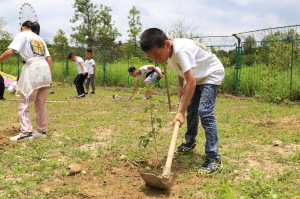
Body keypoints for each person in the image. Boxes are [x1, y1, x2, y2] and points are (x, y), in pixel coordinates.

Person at [140, 28, 225, 176]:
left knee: (204, 112)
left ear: (166, 44)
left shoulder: (180, 50)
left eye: (157, 55)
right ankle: (190, 142)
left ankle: (214, 158)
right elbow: (181, 69)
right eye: (151, 57)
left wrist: (180, 112)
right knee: (192, 108)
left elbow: (190, 83)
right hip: (198, 75)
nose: (156, 60)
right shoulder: (168, 53)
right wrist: (180, 86)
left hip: (211, 73)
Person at [0, 21, 53, 141]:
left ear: (23, 27)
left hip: (33, 68)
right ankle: (41, 132)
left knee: (24, 103)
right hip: (44, 69)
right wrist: (50, 77)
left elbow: (10, 51)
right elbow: (48, 58)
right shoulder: (40, 39)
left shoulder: (22, 35)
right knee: (40, 104)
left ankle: (26, 132)